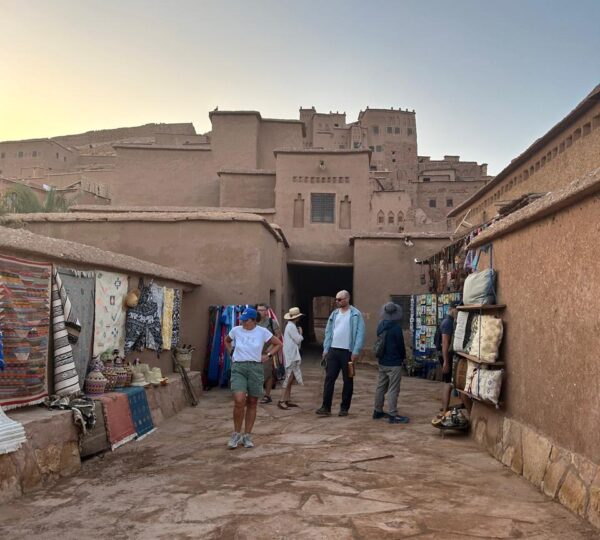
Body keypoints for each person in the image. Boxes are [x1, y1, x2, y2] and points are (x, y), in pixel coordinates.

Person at [224, 307, 282, 449]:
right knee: (239, 400)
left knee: (253, 401)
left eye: (246, 320)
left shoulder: (262, 332)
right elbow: (227, 341)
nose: (243, 323)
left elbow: (278, 343)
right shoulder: (236, 330)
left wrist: (267, 356)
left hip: (255, 368)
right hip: (239, 368)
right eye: (242, 320)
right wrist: (231, 353)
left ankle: (247, 435)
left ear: (253, 320)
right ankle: (236, 433)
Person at [316, 290, 365, 417]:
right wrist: (326, 349)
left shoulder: (356, 314)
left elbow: (360, 334)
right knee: (329, 379)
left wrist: (356, 351)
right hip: (333, 350)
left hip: (347, 352)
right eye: (336, 299)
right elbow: (328, 332)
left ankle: (344, 408)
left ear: (347, 299)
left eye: (339, 299)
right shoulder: (334, 314)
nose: (337, 301)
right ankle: (325, 407)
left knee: (348, 380)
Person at [372, 302, 409, 424]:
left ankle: (377, 411)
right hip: (394, 363)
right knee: (393, 389)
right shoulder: (396, 328)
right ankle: (393, 414)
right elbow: (400, 345)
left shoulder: (380, 325)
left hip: (382, 361)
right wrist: (403, 357)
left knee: (381, 387)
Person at [278, 307, 304, 410]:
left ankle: (287, 399)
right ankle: (282, 400)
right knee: (288, 378)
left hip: (291, 354)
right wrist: (301, 333)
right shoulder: (291, 327)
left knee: (291, 377)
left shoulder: (290, 326)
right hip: (291, 356)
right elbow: (298, 340)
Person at [256, 303, 282, 404]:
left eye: (262, 310)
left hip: (267, 351)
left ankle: (267, 395)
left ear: (267, 311)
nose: (260, 312)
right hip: (256, 351)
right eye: (258, 310)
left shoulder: (272, 322)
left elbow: (278, 335)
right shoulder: (254, 322)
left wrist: (271, 348)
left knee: (267, 373)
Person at [438, 301, 459, 413]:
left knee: (449, 383)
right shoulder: (447, 322)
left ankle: (445, 409)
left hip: (445, 355)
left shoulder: (450, 321)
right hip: (446, 356)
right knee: (448, 384)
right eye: (457, 310)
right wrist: (446, 362)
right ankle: (445, 409)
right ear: (452, 309)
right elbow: (445, 343)